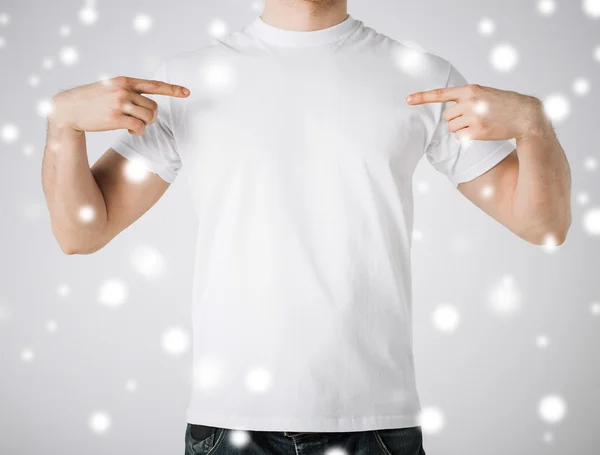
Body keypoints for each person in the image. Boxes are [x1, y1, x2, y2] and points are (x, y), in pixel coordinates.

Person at [41, 0, 571, 453]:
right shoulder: (186, 83)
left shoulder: (425, 79)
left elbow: (542, 224)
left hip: (374, 428)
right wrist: (62, 124)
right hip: (231, 426)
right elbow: (81, 233)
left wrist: (534, 126)